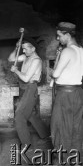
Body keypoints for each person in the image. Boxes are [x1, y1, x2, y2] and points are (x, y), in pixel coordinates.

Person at [8, 39, 50, 150]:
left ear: (33, 48)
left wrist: (16, 71)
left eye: (26, 48)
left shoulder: (36, 60)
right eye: (23, 48)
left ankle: (26, 144)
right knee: (30, 114)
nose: (24, 50)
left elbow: (26, 78)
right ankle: (46, 134)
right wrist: (16, 48)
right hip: (23, 88)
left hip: (30, 88)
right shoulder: (26, 57)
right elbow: (11, 59)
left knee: (19, 116)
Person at [51, 22, 83, 165]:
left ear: (67, 34)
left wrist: (52, 70)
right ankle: (75, 160)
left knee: (60, 127)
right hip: (78, 92)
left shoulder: (67, 51)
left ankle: (62, 160)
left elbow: (56, 74)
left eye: (59, 36)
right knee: (76, 127)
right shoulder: (81, 50)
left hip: (65, 94)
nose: (58, 39)